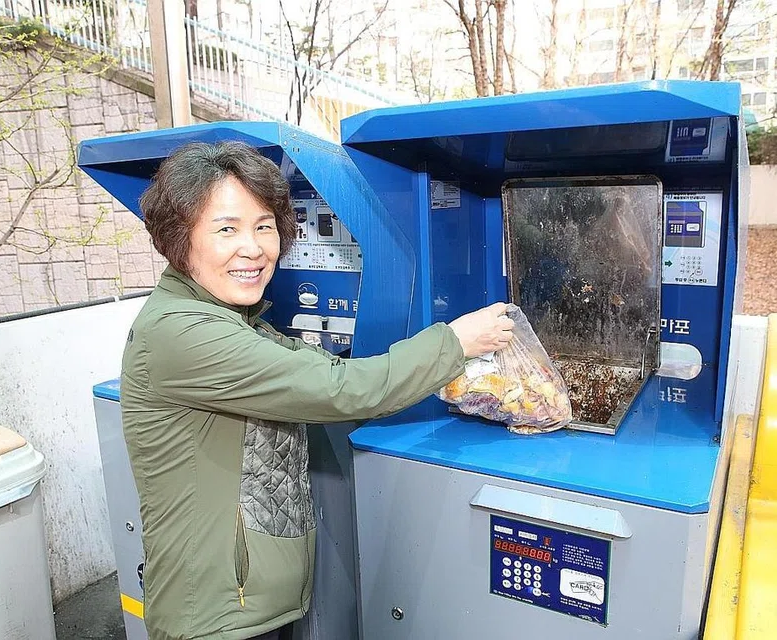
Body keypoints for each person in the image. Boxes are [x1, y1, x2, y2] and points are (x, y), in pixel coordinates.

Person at [120, 141, 513, 640]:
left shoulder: (232, 319)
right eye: (227, 229)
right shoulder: (183, 332)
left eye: (264, 226)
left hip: (243, 603)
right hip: (214, 617)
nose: (253, 248)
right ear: (181, 238)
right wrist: (456, 341)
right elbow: (340, 390)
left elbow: (323, 368)